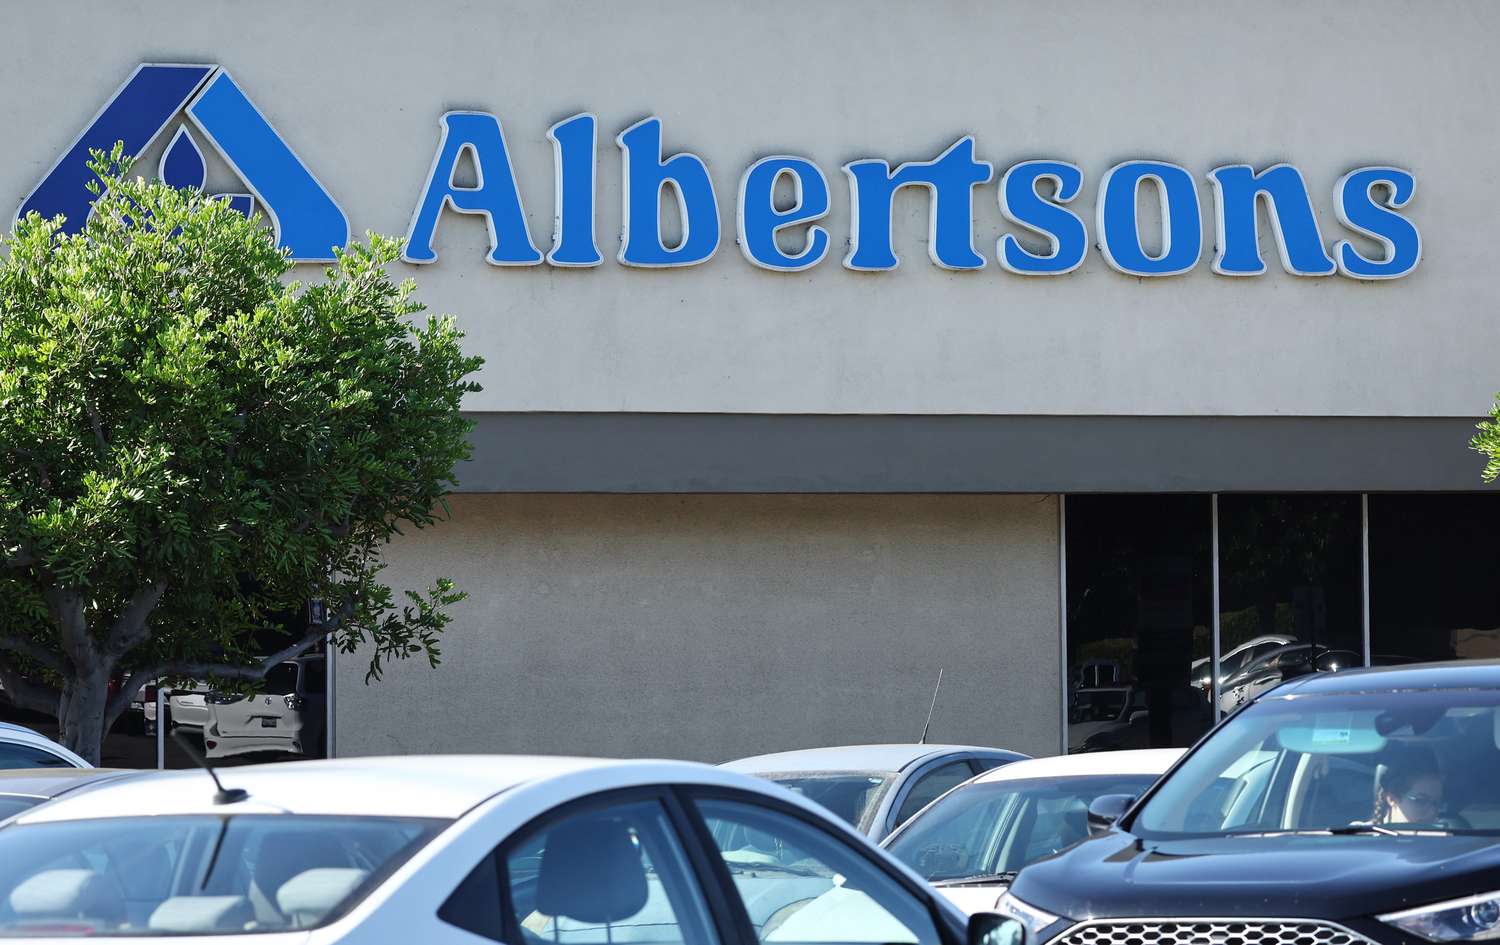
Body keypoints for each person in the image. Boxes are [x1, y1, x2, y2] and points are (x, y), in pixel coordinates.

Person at [1373, 748, 1445, 825]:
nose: (1432, 812)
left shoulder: (1446, 836)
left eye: (1436, 803)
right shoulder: (1362, 834)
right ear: (1392, 799)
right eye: (1420, 801)